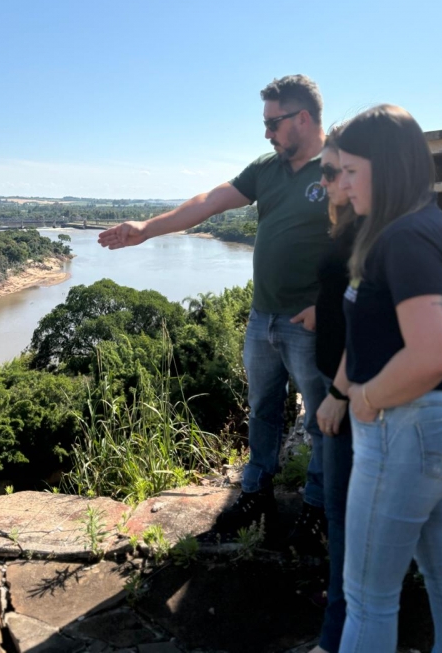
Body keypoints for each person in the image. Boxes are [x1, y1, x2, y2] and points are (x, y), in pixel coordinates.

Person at [98, 75, 331, 543]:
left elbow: (364, 240)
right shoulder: (266, 168)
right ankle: (256, 491)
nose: (266, 132)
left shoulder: (339, 168)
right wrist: (147, 228)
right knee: (262, 410)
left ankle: (318, 505)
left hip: (310, 323)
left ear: (302, 118)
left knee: (321, 418)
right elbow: (209, 202)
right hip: (262, 318)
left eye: (273, 122)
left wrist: (330, 304)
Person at [329, 105, 442, 653]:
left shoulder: (403, 237)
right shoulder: (427, 220)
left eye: (351, 170)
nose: (342, 185)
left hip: (406, 427)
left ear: (387, 167)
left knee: (368, 595)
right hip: (438, 419)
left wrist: (368, 397)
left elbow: (432, 353)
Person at [308, 125, 358, 653]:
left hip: (349, 388)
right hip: (335, 377)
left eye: (329, 170)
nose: (322, 181)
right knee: (342, 505)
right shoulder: (345, 223)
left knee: (343, 508)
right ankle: (347, 599)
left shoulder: (370, 227)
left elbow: (366, 320)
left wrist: (340, 392)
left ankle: (337, 633)